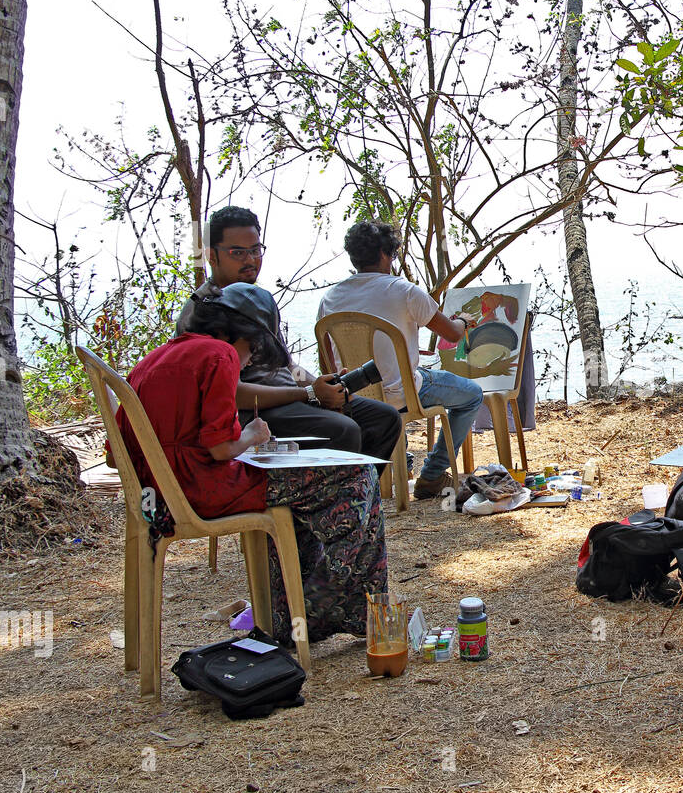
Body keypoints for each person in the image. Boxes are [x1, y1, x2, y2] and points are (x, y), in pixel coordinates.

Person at [121, 283, 390, 644]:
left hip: (158, 498)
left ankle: (287, 616)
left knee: (300, 496)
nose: (247, 362)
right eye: (251, 352)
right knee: (358, 474)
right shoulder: (220, 355)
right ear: (239, 336)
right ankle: (327, 606)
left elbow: (115, 452)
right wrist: (252, 434)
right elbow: (220, 449)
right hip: (203, 491)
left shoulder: (151, 360)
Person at [177, 206, 403, 464]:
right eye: (237, 252)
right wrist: (308, 394)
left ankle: (359, 498)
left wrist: (324, 386)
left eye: (255, 250)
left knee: (383, 418)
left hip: (290, 401)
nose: (250, 260)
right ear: (212, 256)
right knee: (342, 429)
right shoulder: (204, 311)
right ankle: (333, 500)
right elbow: (228, 393)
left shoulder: (255, 301)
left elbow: (287, 366)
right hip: (253, 413)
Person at [316, 220, 484, 500]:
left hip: (354, 399)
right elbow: (452, 334)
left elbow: (327, 363)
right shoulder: (405, 291)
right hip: (400, 394)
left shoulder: (330, 298)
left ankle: (402, 464)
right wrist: (464, 321)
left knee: (410, 378)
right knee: (472, 395)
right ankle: (432, 474)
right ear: (385, 253)